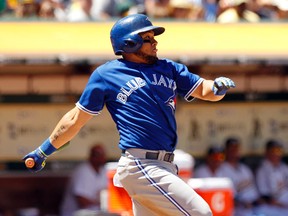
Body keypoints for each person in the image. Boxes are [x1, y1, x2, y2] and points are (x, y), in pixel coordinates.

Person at [23, 14, 235, 216]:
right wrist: (44, 151)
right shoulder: (106, 75)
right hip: (141, 165)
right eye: (147, 38)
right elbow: (75, 119)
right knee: (200, 212)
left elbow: (203, 90)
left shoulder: (168, 68)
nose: (155, 43)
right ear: (129, 43)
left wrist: (216, 88)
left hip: (166, 166)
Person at [60, 144, 108, 216]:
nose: (101, 158)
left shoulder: (104, 170)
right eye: (98, 155)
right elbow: (82, 202)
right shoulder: (82, 171)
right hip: (74, 213)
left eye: (102, 155)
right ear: (91, 156)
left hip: (96, 212)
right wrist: (100, 202)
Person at [255, 139, 288, 215]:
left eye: (279, 151)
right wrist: (283, 205)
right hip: (271, 207)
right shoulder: (262, 170)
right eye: (274, 150)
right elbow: (265, 198)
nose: (277, 153)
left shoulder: (284, 167)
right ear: (267, 152)